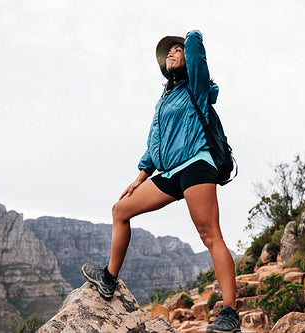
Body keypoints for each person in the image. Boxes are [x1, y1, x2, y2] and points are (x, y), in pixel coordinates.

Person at [81, 30, 240, 333]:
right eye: (168, 52)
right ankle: (109, 279)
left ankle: (229, 313)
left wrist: (189, 38)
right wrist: (140, 176)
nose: (171, 53)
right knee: (120, 210)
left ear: (189, 60)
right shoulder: (165, 99)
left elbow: (194, 45)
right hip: (168, 173)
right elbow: (155, 142)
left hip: (196, 164)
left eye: (176, 50)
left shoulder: (198, 85)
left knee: (210, 235)